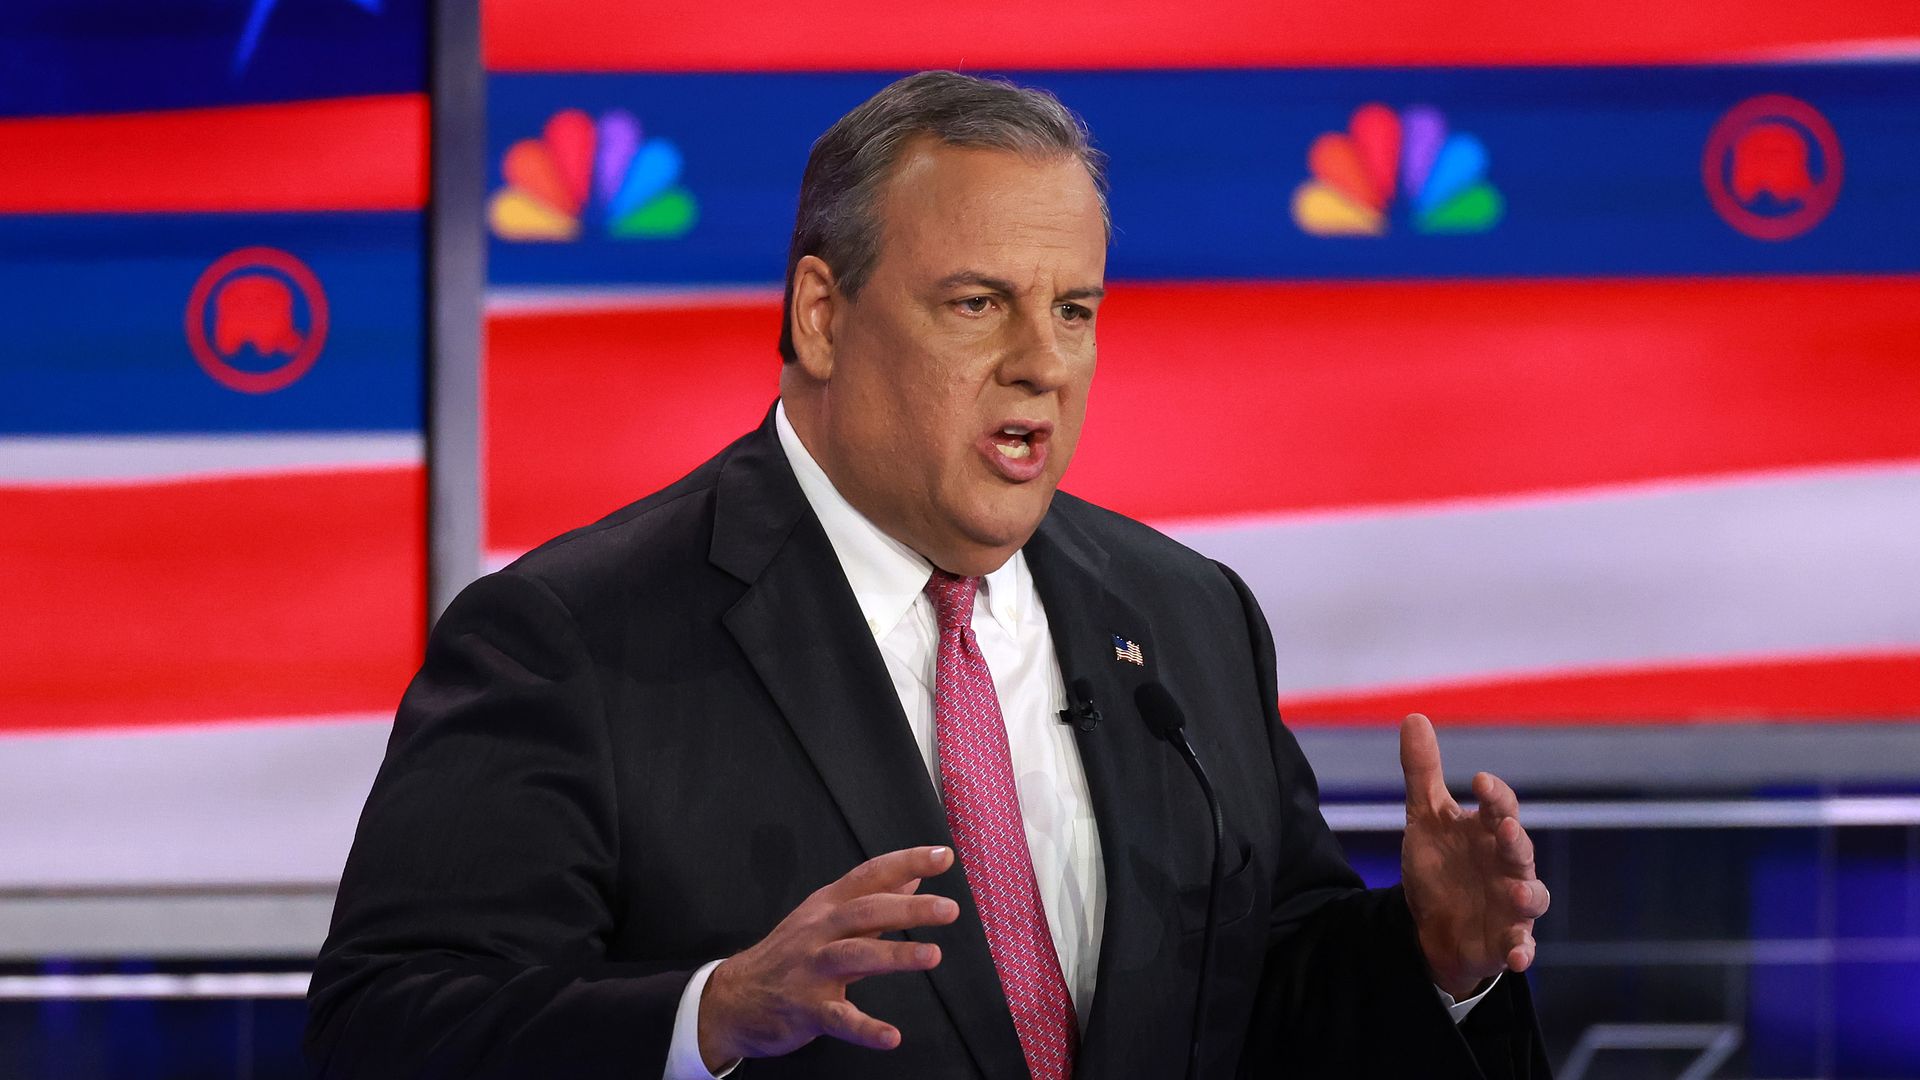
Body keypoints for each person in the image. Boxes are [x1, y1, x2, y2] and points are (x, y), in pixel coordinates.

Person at [307, 71, 1552, 1078]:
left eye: (1074, 310)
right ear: (821, 314)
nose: (1042, 365)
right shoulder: (573, 636)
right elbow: (386, 1029)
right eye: (977, 304)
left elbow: (1257, 996)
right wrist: (710, 1015)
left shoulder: (1185, 619)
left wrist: (1432, 960)